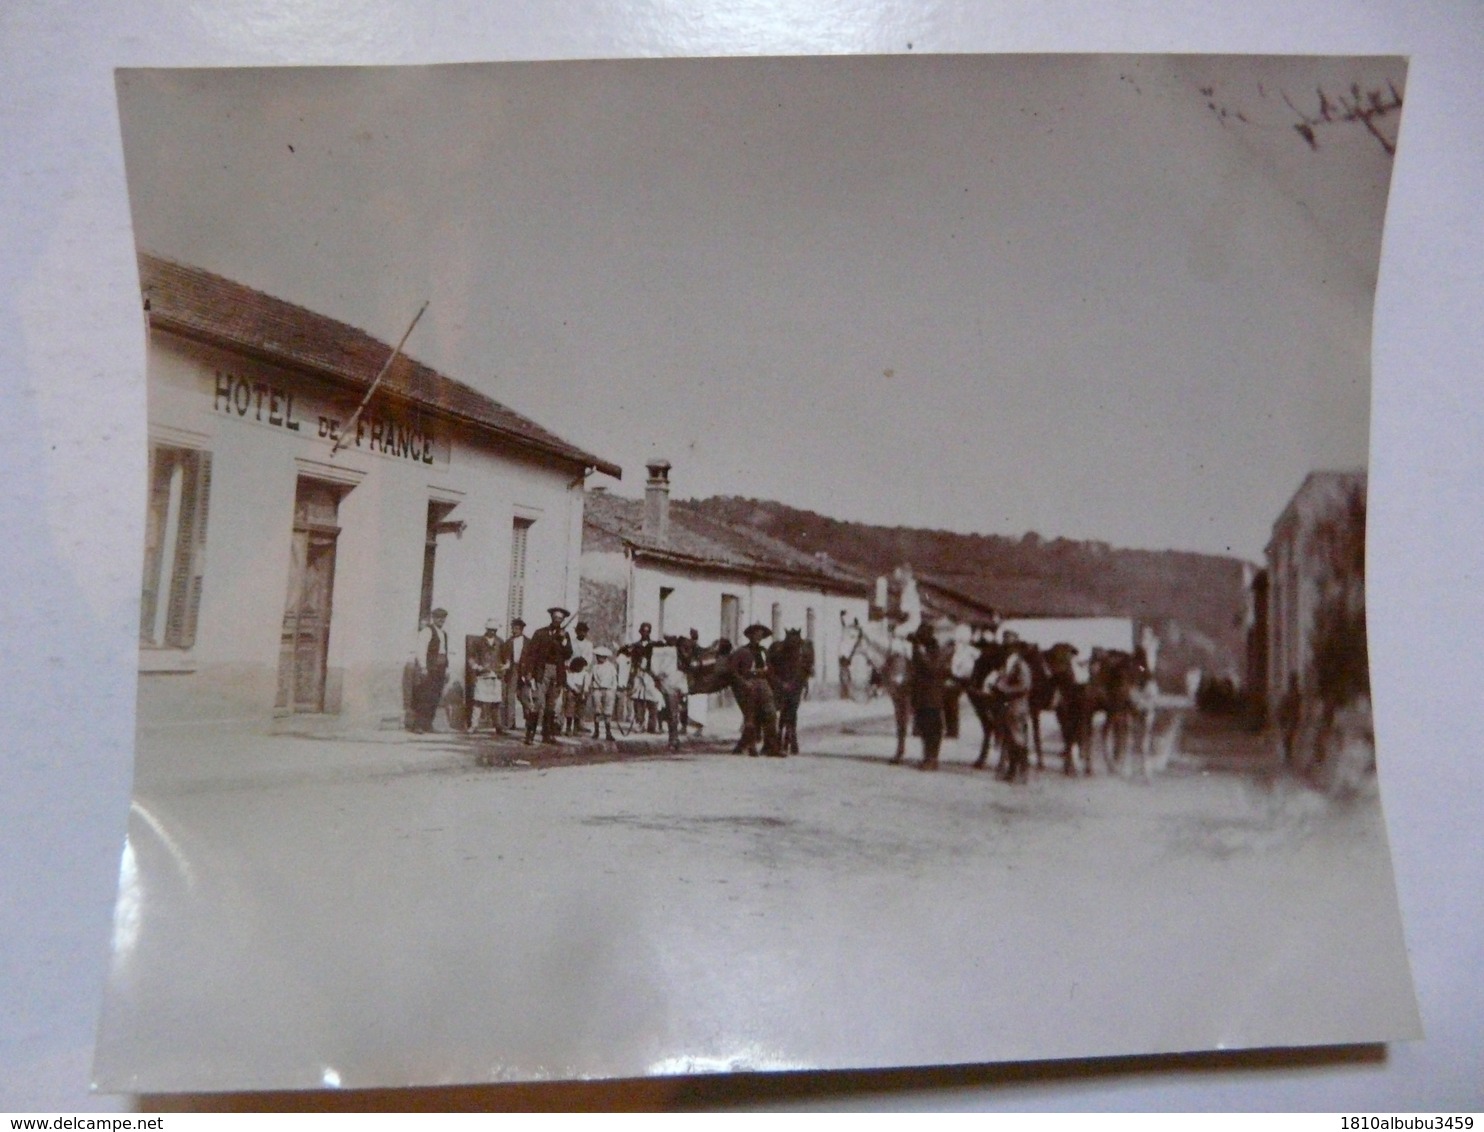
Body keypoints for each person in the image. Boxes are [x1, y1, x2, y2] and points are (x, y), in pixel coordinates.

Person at [521, 606, 574, 745]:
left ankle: (547, 735)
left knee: (551, 705)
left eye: (560, 619)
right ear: (551, 618)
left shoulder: (565, 635)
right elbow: (531, 654)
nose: (558, 620)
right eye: (555, 618)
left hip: (557, 672)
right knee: (538, 702)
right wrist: (529, 672)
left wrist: (563, 640)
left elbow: (568, 654)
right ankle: (530, 735)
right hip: (542, 670)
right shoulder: (540, 633)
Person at [729, 623, 782, 756]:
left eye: (760, 636)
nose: (758, 638)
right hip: (748, 684)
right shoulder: (741, 652)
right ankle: (750, 746)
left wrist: (777, 685)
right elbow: (733, 671)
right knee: (750, 716)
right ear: (750, 636)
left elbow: (770, 670)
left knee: (771, 714)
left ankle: (771, 747)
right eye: (755, 635)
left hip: (763, 683)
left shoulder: (764, 651)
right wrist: (743, 683)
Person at [995, 631, 1035, 783]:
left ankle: (1022, 773)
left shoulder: (1020, 665)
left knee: (1018, 740)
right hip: (1009, 706)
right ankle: (1013, 772)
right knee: (1011, 740)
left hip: (1017, 707)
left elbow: (1025, 685)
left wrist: (1004, 688)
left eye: (1009, 646)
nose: (1007, 649)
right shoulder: (1008, 664)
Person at [906, 621, 947, 769]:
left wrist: (921, 653)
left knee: (933, 729)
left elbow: (932, 668)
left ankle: (932, 759)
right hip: (921, 695)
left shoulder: (934, 649)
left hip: (932, 696)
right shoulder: (919, 649)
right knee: (923, 728)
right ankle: (927, 758)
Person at [410, 607, 451, 733]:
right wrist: (423, 667)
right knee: (424, 696)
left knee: (435, 697)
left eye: (443, 618)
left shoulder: (443, 633)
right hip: (430, 668)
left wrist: (447, 669)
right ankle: (418, 725)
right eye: (438, 617)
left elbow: (444, 651)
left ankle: (428, 724)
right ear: (433, 618)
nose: (441, 620)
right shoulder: (427, 631)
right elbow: (421, 650)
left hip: (440, 668)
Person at [467, 619, 505, 732]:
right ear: (486, 629)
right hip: (482, 674)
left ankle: (498, 726)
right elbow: (471, 657)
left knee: (496, 702)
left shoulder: (500, 642)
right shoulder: (478, 642)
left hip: (496, 674)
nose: (492, 632)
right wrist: (476, 667)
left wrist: (504, 666)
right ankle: (474, 725)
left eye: (494, 630)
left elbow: (505, 657)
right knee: (478, 701)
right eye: (490, 630)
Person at [565, 621, 594, 735]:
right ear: (576, 631)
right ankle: (568, 727)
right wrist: (572, 665)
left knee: (581, 704)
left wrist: (583, 665)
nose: (582, 633)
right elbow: (568, 657)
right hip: (572, 670)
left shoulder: (589, 644)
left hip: (583, 672)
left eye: (584, 631)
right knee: (569, 704)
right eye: (579, 631)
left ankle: (578, 727)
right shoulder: (571, 642)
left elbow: (589, 658)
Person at [499, 618, 527, 730]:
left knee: (524, 696)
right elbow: (504, 656)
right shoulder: (508, 642)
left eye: (517, 628)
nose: (514, 631)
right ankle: (510, 722)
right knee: (510, 696)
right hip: (513, 669)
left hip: (525, 670)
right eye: (513, 628)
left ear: (521, 629)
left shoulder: (528, 642)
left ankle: (529, 721)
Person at [589, 646, 619, 741]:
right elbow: (591, 678)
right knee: (597, 711)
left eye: (602, 656)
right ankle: (596, 731)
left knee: (607, 712)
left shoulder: (611, 667)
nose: (600, 658)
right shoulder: (594, 667)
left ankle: (608, 732)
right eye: (598, 656)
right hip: (597, 689)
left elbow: (614, 680)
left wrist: (613, 691)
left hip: (608, 690)